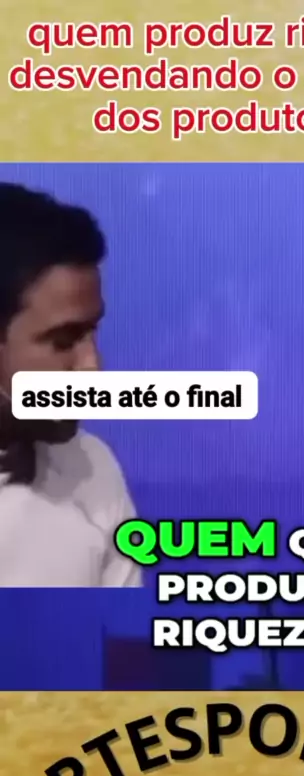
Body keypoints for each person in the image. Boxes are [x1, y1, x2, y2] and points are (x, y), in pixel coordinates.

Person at [0, 182, 141, 587]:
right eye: (63, 341)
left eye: (92, 333)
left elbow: (119, 627)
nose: (92, 370)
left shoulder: (92, 470)